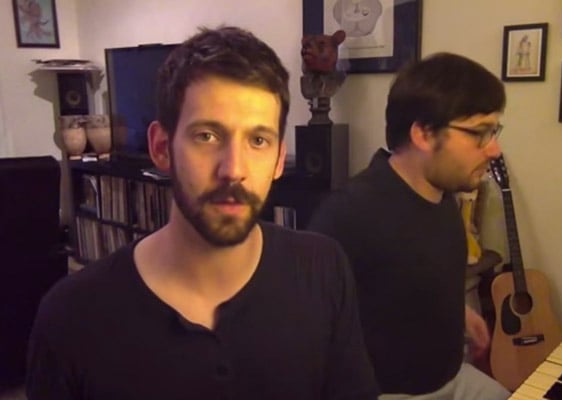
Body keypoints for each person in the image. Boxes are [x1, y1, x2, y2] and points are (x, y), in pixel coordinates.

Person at [26, 26, 378, 400]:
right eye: (207, 136)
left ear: (278, 160)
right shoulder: (71, 317)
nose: (233, 169)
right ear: (161, 148)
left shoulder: (323, 269)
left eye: (258, 140)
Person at [307, 52, 511, 400]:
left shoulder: (442, 194)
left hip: (453, 378)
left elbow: (404, 281)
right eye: (480, 133)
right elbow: (308, 332)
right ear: (423, 134)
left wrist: (457, 313)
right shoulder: (350, 215)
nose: (494, 149)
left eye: (494, 130)